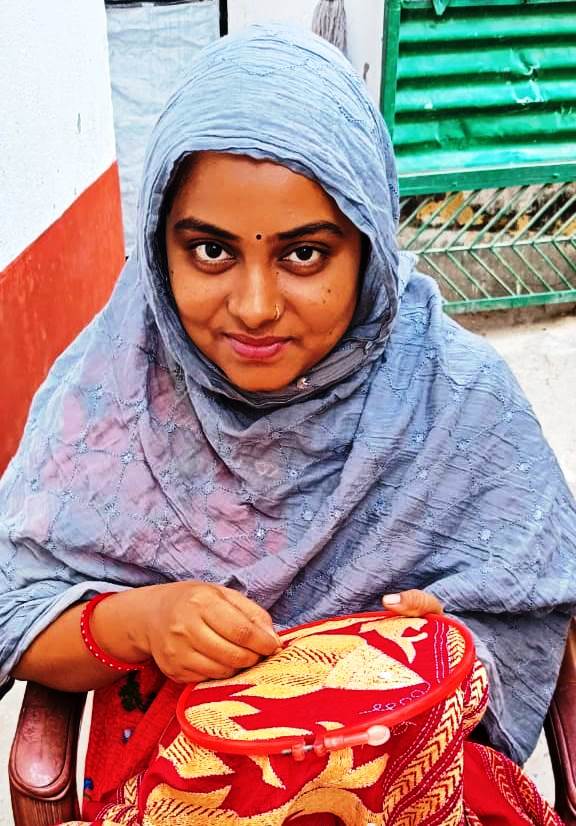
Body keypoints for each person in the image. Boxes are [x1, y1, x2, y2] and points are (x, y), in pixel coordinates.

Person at [0, 23, 574, 825]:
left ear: (368, 248)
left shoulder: (459, 401)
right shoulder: (112, 394)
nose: (255, 306)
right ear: (160, 247)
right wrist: (139, 624)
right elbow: (15, 604)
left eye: (304, 255)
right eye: (211, 252)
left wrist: (448, 653)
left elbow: (532, 607)